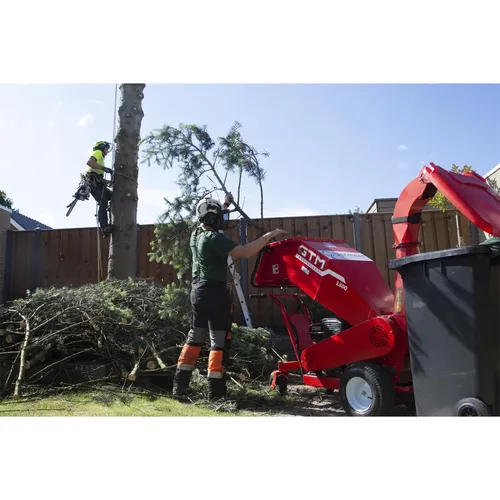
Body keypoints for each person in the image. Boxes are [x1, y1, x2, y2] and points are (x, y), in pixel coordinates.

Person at [172, 192, 287, 401]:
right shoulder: (215, 238)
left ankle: (179, 388)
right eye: (218, 217)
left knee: (195, 337)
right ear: (211, 219)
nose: (221, 220)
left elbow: (210, 215)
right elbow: (244, 251)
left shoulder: (196, 234)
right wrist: (268, 236)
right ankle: (215, 393)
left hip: (197, 291)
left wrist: (225, 204)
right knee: (219, 340)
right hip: (215, 292)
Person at [86, 141, 115, 235]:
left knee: (114, 197)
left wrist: (109, 182)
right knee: (103, 201)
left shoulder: (101, 159)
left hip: (98, 184)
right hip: (94, 185)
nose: (107, 151)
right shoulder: (98, 152)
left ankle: (111, 222)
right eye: (106, 148)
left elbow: (98, 177)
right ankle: (104, 227)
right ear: (102, 147)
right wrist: (104, 168)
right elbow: (89, 162)